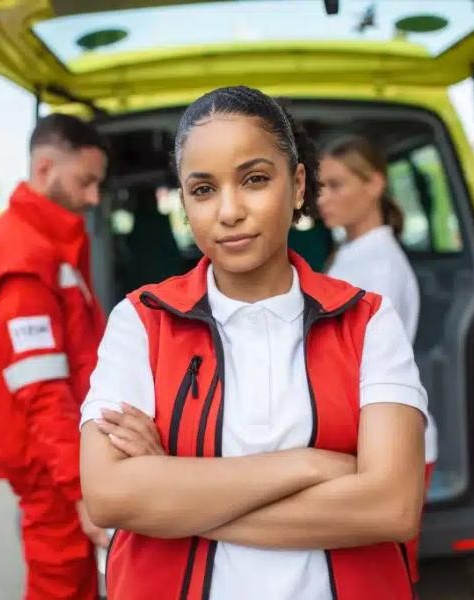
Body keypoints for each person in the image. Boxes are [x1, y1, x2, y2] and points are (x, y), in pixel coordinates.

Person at [79, 86, 427, 600]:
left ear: (299, 183)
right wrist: (313, 464)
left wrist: (174, 493)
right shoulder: (140, 320)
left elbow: (391, 507)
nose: (229, 211)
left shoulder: (367, 319)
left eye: (255, 180)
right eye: (202, 190)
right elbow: (109, 496)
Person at [0, 114, 109, 600]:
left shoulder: (43, 245)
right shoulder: (22, 259)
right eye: (86, 182)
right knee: (60, 585)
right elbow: (41, 394)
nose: (93, 198)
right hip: (53, 471)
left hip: (59, 463)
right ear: (45, 170)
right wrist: (82, 490)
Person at [318, 134, 438, 586]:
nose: (323, 198)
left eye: (336, 185)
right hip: (369, 443)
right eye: (320, 187)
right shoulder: (353, 254)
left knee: (380, 582)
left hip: (386, 449)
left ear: (374, 185)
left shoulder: (379, 267)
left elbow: (356, 370)